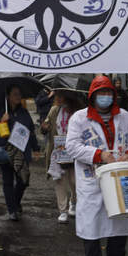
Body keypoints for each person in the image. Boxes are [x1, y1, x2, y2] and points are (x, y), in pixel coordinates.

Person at [65, 75, 128, 256]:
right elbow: (72, 146)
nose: (105, 97)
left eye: (108, 93)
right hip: (93, 179)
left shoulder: (124, 116)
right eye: (101, 93)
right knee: (92, 223)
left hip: (120, 175)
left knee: (120, 220)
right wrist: (99, 155)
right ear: (93, 96)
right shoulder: (79, 118)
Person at [0, 86, 39, 221]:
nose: (18, 96)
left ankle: (15, 201)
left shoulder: (24, 112)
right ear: (8, 96)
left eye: (19, 94)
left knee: (23, 180)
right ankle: (12, 209)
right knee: (8, 181)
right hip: (6, 151)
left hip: (21, 152)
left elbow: (31, 131)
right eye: (15, 94)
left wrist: (36, 148)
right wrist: (2, 122)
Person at [41, 90, 82, 223]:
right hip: (58, 150)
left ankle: (73, 202)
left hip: (74, 150)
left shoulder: (77, 111)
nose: (57, 98)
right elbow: (46, 125)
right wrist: (44, 127)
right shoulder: (54, 110)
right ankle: (62, 211)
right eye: (56, 95)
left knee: (74, 181)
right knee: (59, 180)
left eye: (60, 95)